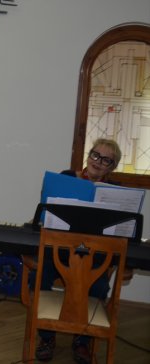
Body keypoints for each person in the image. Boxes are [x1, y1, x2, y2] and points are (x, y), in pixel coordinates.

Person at [33, 138, 122, 364]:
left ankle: (82, 340)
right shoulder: (67, 177)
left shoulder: (115, 192)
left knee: (99, 287)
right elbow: (49, 213)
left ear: (112, 167)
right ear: (88, 155)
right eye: (95, 155)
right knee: (38, 277)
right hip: (59, 252)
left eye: (106, 160)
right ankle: (47, 337)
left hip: (94, 258)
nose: (98, 162)